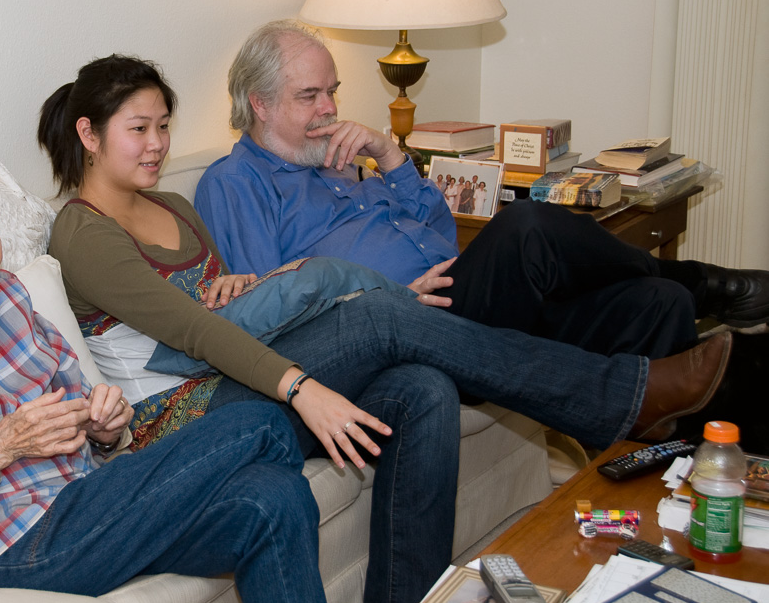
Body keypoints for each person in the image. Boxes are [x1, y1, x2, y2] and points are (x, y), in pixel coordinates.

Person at [37, 54, 731, 603]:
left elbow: (222, 302)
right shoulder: (82, 231)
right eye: (138, 129)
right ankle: (616, 397)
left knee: (423, 388)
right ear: (89, 136)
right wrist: (301, 384)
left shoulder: (171, 205)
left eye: (163, 126)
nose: (157, 143)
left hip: (236, 375)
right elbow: (190, 330)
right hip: (181, 421)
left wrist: (245, 283)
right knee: (381, 314)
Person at [0, 150, 330, 603]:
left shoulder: (8, 299)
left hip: (84, 500)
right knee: (259, 422)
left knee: (274, 497)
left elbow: (84, 409)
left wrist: (106, 426)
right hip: (2, 545)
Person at [195, 19, 769, 361]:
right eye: (309, 96)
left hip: (463, 292)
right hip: (409, 321)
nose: (330, 108)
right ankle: (704, 282)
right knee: (523, 224)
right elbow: (269, 316)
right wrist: (382, 301)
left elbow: (439, 230)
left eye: (333, 91)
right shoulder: (234, 182)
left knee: (653, 305)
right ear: (260, 104)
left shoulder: (340, 156)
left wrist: (390, 155)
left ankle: (664, 472)